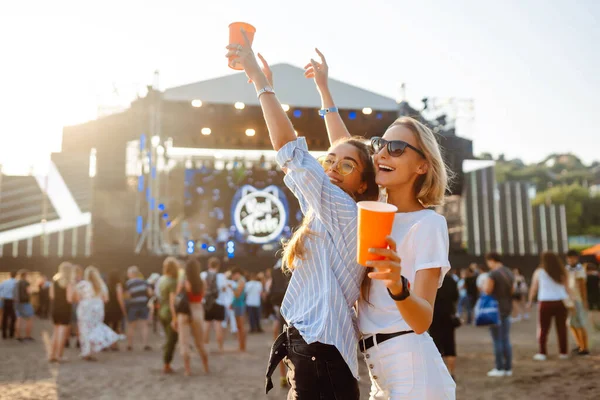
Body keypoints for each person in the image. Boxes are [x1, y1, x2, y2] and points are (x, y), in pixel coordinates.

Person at [228, 40, 378, 399]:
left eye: (345, 166)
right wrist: (324, 91)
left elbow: (290, 150)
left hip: (319, 350)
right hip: (319, 349)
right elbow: (348, 148)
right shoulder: (342, 208)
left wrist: (261, 85)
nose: (333, 168)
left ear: (363, 183)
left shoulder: (345, 209)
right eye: (329, 161)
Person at [306, 48, 456, 397]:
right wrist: (324, 91)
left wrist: (396, 283)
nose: (383, 153)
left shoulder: (428, 225)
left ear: (422, 165)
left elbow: (422, 320)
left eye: (398, 148)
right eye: (381, 144)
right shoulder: (375, 210)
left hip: (412, 367)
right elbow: (344, 150)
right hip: (378, 371)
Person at [527, 252, 571, 360]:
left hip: (545, 302)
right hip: (561, 301)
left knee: (543, 328)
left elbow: (534, 288)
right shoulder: (562, 271)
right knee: (562, 328)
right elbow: (567, 288)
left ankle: (542, 352)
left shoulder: (539, 272)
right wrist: (572, 299)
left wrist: (530, 301)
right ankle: (563, 352)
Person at [75, 266, 123, 361]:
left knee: (84, 329)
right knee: (95, 328)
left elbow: (77, 298)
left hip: (85, 308)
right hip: (97, 309)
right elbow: (106, 299)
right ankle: (93, 350)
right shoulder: (101, 285)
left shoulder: (82, 284)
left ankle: (86, 351)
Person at [483, 252, 515, 377]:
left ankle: (499, 367)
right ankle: (508, 368)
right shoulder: (509, 272)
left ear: (491, 260)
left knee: (497, 340)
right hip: (507, 308)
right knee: (505, 339)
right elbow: (512, 291)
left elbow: (487, 290)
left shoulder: (493, 274)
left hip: (495, 310)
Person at [176, 258, 209, 376]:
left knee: (184, 342)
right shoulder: (202, 282)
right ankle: (205, 367)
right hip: (197, 310)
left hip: (184, 312)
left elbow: (177, 296)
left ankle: (187, 369)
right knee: (200, 342)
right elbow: (203, 295)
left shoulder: (184, 281)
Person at [430, 272, 460, 380]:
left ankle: (438, 373)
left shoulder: (430, 279)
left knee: (435, 345)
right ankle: (451, 372)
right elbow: (456, 297)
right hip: (448, 315)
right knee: (450, 345)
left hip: (433, 315)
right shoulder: (451, 280)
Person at [201, 257, 228, 353]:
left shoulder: (203, 275)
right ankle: (220, 347)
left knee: (206, 324)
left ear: (208, 265)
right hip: (219, 303)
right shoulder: (221, 276)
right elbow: (224, 289)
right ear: (218, 266)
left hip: (206, 303)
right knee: (218, 325)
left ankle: (205, 347)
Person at [49, 262, 75, 362]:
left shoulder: (54, 281)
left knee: (55, 333)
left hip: (55, 308)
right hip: (65, 309)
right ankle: (59, 355)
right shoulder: (69, 283)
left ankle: (52, 355)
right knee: (62, 333)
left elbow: (52, 296)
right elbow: (69, 299)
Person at [565, 249, 589, 355]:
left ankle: (585, 347)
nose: (570, 259)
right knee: (571, 324)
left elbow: (582, 286)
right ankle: (579, 344)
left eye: (572, 257)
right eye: (569, 258)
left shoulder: (579, 269)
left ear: (576, 258)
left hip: (577, 300)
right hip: (570, 300)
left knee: (579, 324)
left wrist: (584, 301)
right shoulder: (567, 269)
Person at [159, 257, 180, 374]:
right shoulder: (172, 282)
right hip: (169, 312)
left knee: (168, 338)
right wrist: (175, 317)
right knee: (172, 339)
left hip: (162, 310)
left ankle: (166, 360)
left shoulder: (162, 280)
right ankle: (166, 363)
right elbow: (172, 302)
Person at [124, 266, 152, 351]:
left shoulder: (128, 284)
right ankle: (145, 344)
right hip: (143, 305)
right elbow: (150, 292)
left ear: (130, 274)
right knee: (144, 325)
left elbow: (127, 296)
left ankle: (129, 344)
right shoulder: (144, 282)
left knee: (131, 326)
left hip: (133, 306)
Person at [104, 269, 126, 350]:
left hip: (106, 308)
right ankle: (113, 344)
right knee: (115, 327)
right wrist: (123, 309)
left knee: (106, 327)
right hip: (115, 308)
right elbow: (120, 298)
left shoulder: (105, 285)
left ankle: (105, 344)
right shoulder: (118, 285)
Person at [14, 269, 35, 342]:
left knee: (18, 319)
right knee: (30, 318)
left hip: (17, 303)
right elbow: (29, 292)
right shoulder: (26, 283)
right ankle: (27, 335)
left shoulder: (17, 283)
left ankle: (17, 335)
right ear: (25, 275)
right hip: (25, 302)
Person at [230, 267, 247, 351]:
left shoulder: (241, 281)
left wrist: (231, 288)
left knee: (241, 326)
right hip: (237, 304)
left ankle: (242, 346)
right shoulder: (240, 281)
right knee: (239, 326)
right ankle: (241, 345)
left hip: (239, 305)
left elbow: (237, 294)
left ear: (237, 274)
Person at [0, 271, 18, 340]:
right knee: (13, 317)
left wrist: (2, 295)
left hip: (5, 300)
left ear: (10, 275)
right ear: (15, 275)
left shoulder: (5, 282)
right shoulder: (16, 283)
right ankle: (11, 333)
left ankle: (4, 334)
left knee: (5, 317)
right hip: (12, 301)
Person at [585, 263, 600, 331]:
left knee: (591, 311)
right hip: (597, 295)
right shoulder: (596, 277)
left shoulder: (585, 277)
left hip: (589, 296)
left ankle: (594, 325)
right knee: (597, 310)